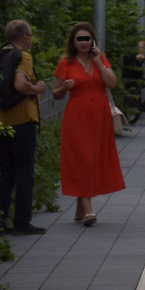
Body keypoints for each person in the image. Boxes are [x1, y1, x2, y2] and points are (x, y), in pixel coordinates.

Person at [0, 19, 50, 236]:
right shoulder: (23, 56)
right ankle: (21, 222)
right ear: (23, 37)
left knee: (5, 173)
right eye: (30, 36)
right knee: (24, 171)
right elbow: (20, 84)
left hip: (0, 123)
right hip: (23, 122)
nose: (31, 39)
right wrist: (37, 88)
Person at [51, 22, 126, 226]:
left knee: (93, 159)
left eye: (87, 38)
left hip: (99, 119)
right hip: (77, 118)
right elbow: (55, 94)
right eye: (80, 39)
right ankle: (88, 211)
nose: (84, 43)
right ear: (73, 42)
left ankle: (80, 209)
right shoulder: (66, 63)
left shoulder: (99, 58)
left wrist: (99, 62)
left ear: (93, 40)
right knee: (83, 159)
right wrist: (64, 88)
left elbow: (112, 83)